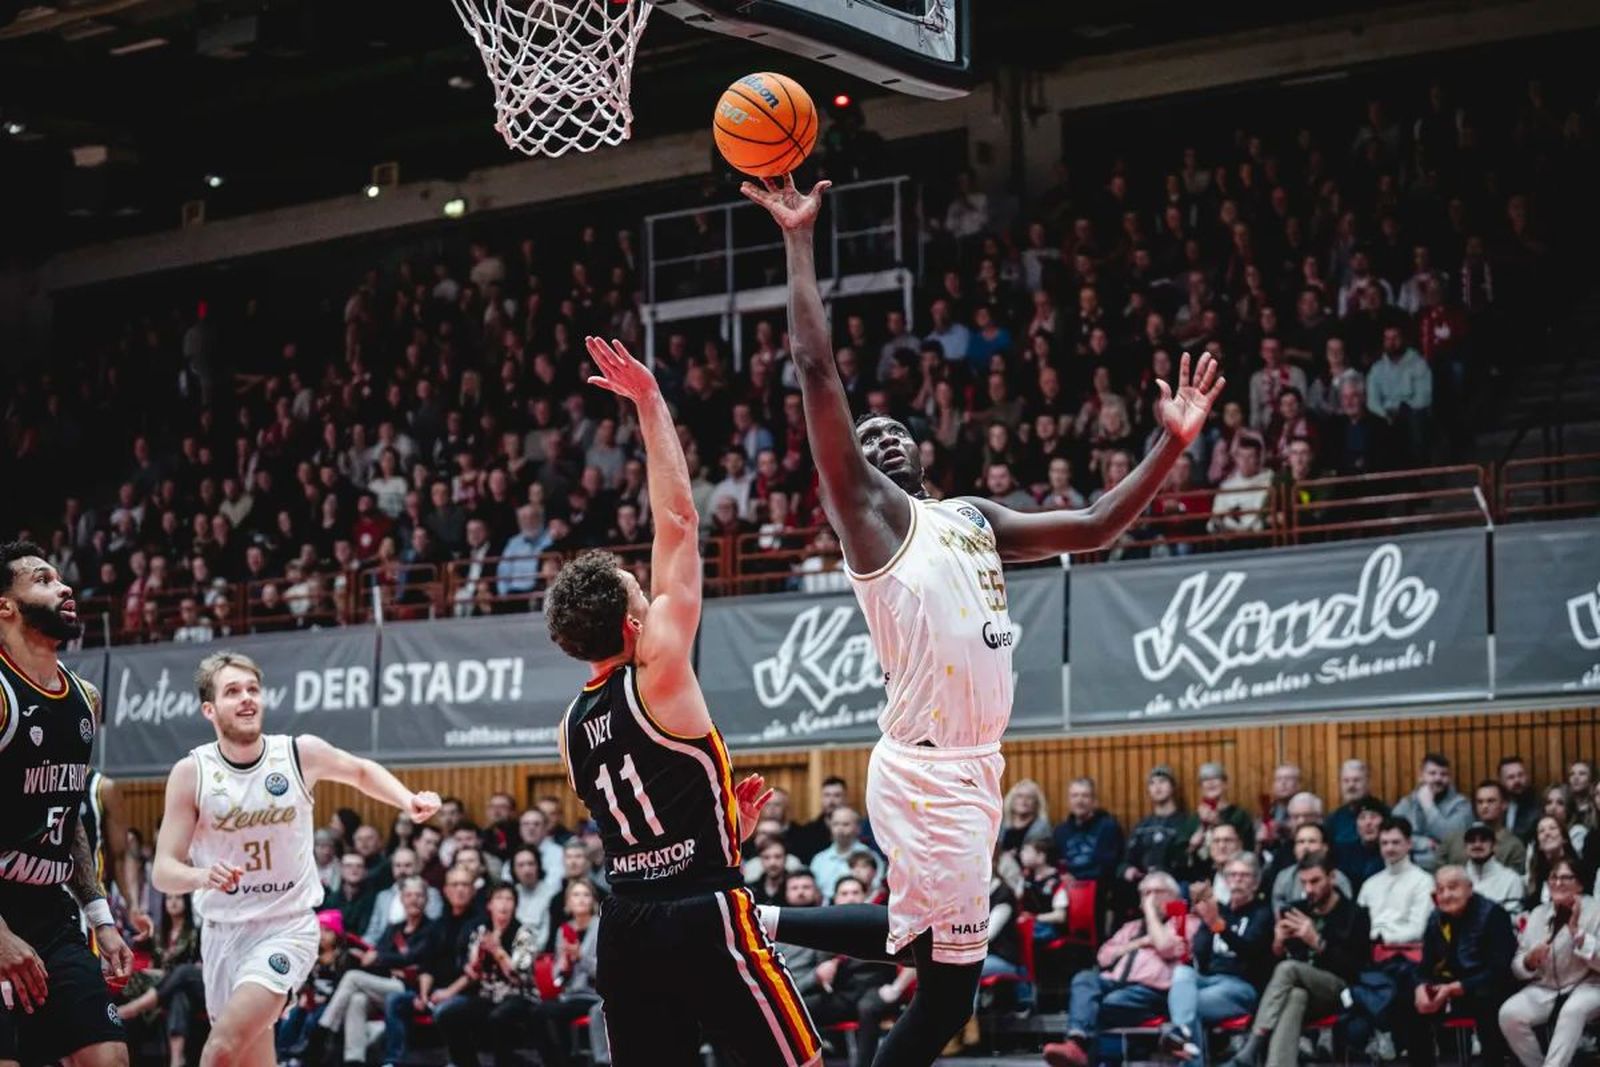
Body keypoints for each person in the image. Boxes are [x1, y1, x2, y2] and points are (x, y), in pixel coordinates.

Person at [742, 174, 1225, 1067]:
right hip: (930, 772)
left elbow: (1095, 525)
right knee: (944, 982)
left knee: (936, 971)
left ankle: (757, 916)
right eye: (864, 434)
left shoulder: (972, 518)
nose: (877, 438)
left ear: (922, 452)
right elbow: (816, 372)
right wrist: (799, 238)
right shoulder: (870, 520)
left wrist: (1171, 444)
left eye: (894, 432)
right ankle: (754, 918)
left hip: (971, 768)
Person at [545, 336, 822, 1066]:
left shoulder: (569, 729)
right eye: (644, 589)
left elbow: (641, 821)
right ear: (635, 624)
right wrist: (650, 401)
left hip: (628, 921)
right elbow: (679, 521)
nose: (653, 586)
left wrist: (721, 820)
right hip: (704, 910)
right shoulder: (658, 667)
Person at [150, 651, 441, 1067]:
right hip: (222, 933)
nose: (247, 698)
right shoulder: (191, 773)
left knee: (218, 1052)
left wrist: (406, 799)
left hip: (285, 928)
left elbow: (359, 771)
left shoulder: (298, 754)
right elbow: (164, 871)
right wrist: (201, 876)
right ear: (209, 709)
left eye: (253, 689)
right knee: (252, 1057)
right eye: (233, 692)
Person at [0, 540, 133, 1067]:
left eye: (59, 577)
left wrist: (100, 915)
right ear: (5, 606)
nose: (64, 586)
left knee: (107, 1058)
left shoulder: (84, 698)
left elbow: (71, 816)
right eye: (42, 579)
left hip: (50, 908)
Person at [1219, 854, 1370, 1067]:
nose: (1308, 888)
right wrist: (1278, 944)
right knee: (1295, 996)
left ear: (1332, 877)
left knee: (1289, 969)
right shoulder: (1296, 909)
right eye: (1304, 882)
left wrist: (1316, 941)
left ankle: (1252, 1046)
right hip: (1298, 989)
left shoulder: (1355, 914)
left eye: (1315, 881)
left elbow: (1355, 968)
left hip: (1339, 989)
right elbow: (1272, 966)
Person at [1043, 872, 1199, 1066]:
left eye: (1157, 892)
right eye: (1145, 893)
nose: (1150, 898)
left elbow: (1165, 947)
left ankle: (1081, 1052)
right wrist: (1140, 942)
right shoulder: (1131, 928)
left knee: (1105, 1004)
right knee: (1084, 978)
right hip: (1115, 982)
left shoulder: (1185, 923)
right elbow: (1104, 956)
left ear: (1174, 897)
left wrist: (1150, 913)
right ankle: (1076, 1042)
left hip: (1153, 992)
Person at [308, 875, 434, 1067]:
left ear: (426, 899)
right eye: (409, 895)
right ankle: (354, 1060)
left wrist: (383, 959)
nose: (414, 900)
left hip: (409, 990)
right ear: (401, 899)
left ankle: (323, 1030)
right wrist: (384, 960)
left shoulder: (432, 928)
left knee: (352, 977)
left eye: (419, 895)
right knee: (357, 1000)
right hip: (385, 985)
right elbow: (378, 955)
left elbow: (417, 958)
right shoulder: (394, 928)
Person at [1162, 855, 1274, 1064]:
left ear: (1256, 882)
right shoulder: (1218, 910)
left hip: (1241, 987)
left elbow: (1252, 951)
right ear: (1225, 881)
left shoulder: (1264, 913)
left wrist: (1218, 926)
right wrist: (1204, 926)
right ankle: (1182, 1031)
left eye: (1244, 875)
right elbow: (1201, 958)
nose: (1238, 880)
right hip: (1207, 981)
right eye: (1232, 875)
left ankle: (1180, 1034)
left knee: (1185, 1006)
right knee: (1182, 973)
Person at [1402, 866, 1514, 1067]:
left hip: (1485, 987)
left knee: (1487, 1000)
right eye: (1440, 889)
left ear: (1469, 889)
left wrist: (1456, 988)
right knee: (1408, 1002)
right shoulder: (1435, 918)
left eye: (1452, 887)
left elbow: (1499, 969)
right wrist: (1421, 986)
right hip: (1449, 986)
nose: (1446, 895)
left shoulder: (1493, 915)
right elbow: (1425, 966)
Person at [1500, 856, 1600, 1067]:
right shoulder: (1538, 913)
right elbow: (1517, 967)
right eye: (1553, 877)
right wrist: (1529, 961)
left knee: (1572, 1010)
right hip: (1545, 987)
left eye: (1566, 878)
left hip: (1588, 985)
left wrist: (1578, 936)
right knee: (1509, 1013)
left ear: (1580, 883)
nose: (1558, 883)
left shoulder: (1596, 911)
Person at [433, 883, 541, 1067]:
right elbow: (473, 972)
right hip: (488, 995)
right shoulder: (482, 931)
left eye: (509, 899)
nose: (504, 904)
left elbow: (518, 976)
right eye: (499, 899)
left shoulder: (524, 933)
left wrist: (497, 951)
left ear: (515, 905)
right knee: (448, 1014)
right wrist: (475, 961)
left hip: (520, 995)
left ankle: (508, 1062)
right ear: (489, 905)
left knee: (498, 1017)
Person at [527, 880, 604, 1067]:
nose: (581, 900)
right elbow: (557, 978)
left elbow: (606, 971)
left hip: (594, 995)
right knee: (537, 1012)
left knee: (554, 1013)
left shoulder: (601, 927)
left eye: (586, 895)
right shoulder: (564, 930)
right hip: (570, 995)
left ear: (593, 901)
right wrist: (562, 966)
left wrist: (580, 958)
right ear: (568, 902)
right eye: (576, 895)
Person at [1391, 752, 1472, 871]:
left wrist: (1428, 806)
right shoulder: (1407, 804)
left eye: (1443, 774)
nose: (1438, 778)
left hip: (1450, 869)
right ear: (1421, 776)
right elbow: (1393, 836)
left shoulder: (1461, 804)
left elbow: (1452, 838)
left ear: (1449, 778)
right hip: (1410, 869)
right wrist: (1423, 843)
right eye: (1432, 773)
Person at [1441, 780, 1528, 870]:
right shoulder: (1453, 840)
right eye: (1480, 802)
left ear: (1504, 804)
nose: (1484, 806)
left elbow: (1514, 881)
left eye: (1491, 801)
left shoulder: (1514, 846)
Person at [1461, 822, 1525, 915]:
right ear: (1465, 847)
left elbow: (1514, 920)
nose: (1477, 845)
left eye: (1483, 840)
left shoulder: (1511, 880)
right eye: (1472, 841)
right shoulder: (1455, 881)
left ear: (1494, 846)